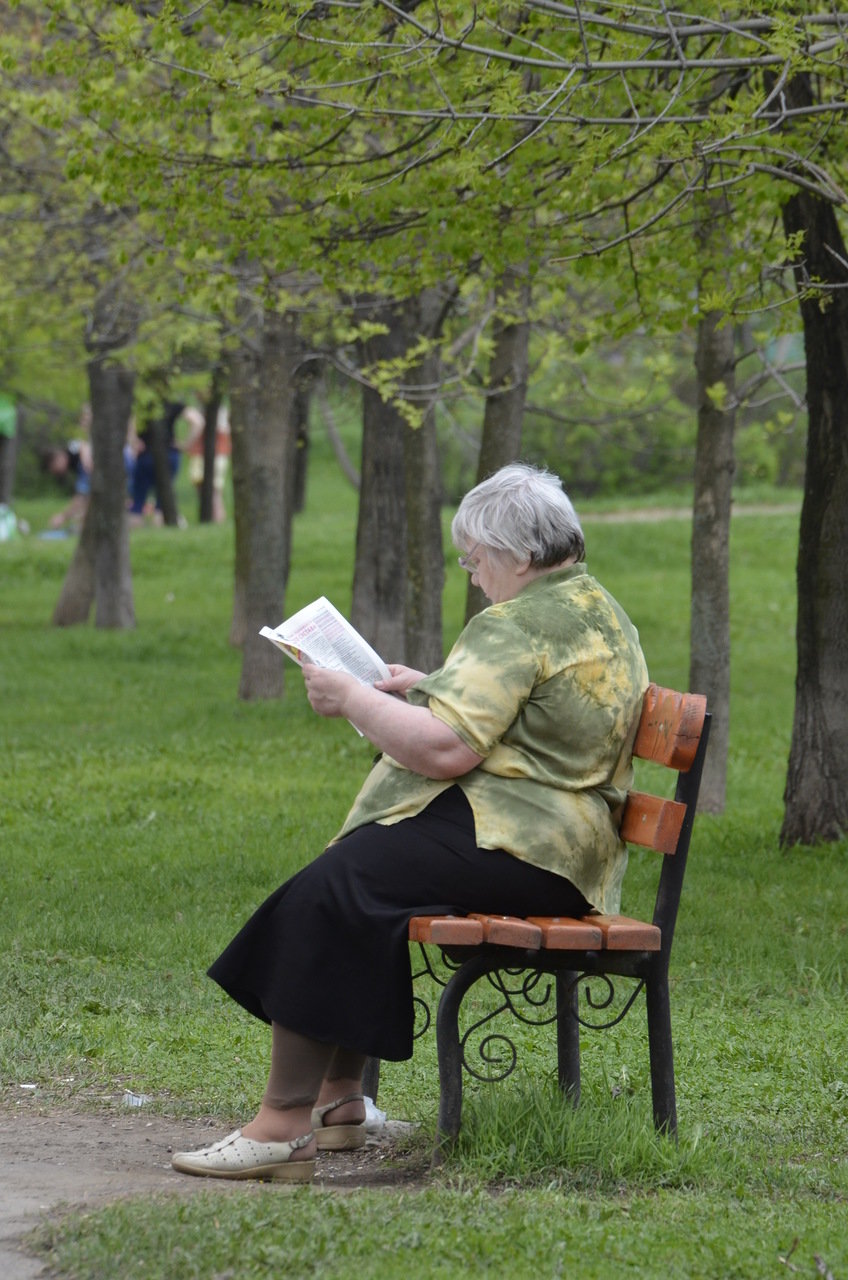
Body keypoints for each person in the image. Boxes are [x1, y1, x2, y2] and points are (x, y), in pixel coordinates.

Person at [171, 462, 649, 1183]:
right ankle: (338, 1106)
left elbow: (446, 748)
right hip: (558, 840)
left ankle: (281, 1126)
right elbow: (538, 714)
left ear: (519, 555)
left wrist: (351, 698)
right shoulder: (594, 606)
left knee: (336, 887)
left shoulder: (516, 621)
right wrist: (421, 686)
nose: (473, 572)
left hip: (527, 846)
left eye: (476, 558)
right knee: (365, 874)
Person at [42, 439, 92, 531]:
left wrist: (62, 517)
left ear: (57, 458)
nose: (58, 472)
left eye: (55, 469)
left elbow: (82, 445)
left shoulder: (71, 450)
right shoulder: (74, 466)